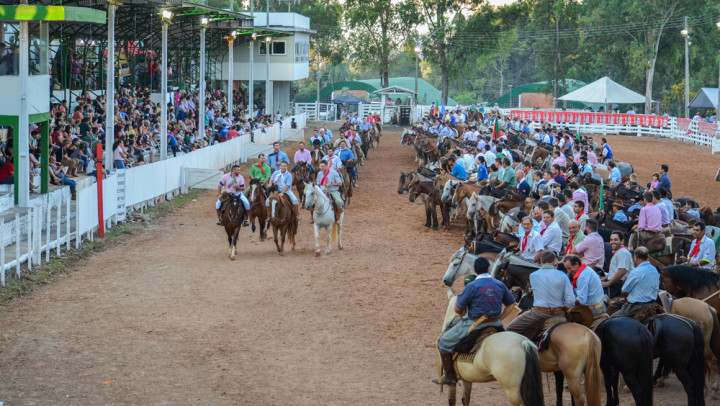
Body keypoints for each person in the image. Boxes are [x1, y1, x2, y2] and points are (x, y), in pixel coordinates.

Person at [436, 257, 517, 385]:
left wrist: (463, 312)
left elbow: (457, 309)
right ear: (488, 269)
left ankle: (450, 376)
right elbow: (512, 304)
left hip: (475, 324)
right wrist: (500, 318)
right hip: (496, 324)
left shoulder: (472, 286)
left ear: (475, 270)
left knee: (442, 342)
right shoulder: (499, 284)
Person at [506, 251, 575, 340]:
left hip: (539, 313)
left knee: (510, 329)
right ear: (554, 262)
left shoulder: (533, 275)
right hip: (559, 313)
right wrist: (565, 308)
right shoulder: (563, 275)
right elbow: (571, 301)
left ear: (541, 261)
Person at [610, 248, 660, 319]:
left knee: (611, 319)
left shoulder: (636, 272)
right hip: (652, 303)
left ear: (635, 257)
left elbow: (624, 291)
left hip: (636, 307)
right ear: (647, 257)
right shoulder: (654, 270)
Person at [603, 231, 633, 299]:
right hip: (614, 283)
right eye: (611, 240)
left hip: (618, 285)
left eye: (616, 240)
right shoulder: (618, 252)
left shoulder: (623, 253)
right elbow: (615, 270)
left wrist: (608, 283)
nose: (613, 242)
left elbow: (622, 271)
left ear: (622, 241)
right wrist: (605, 278)